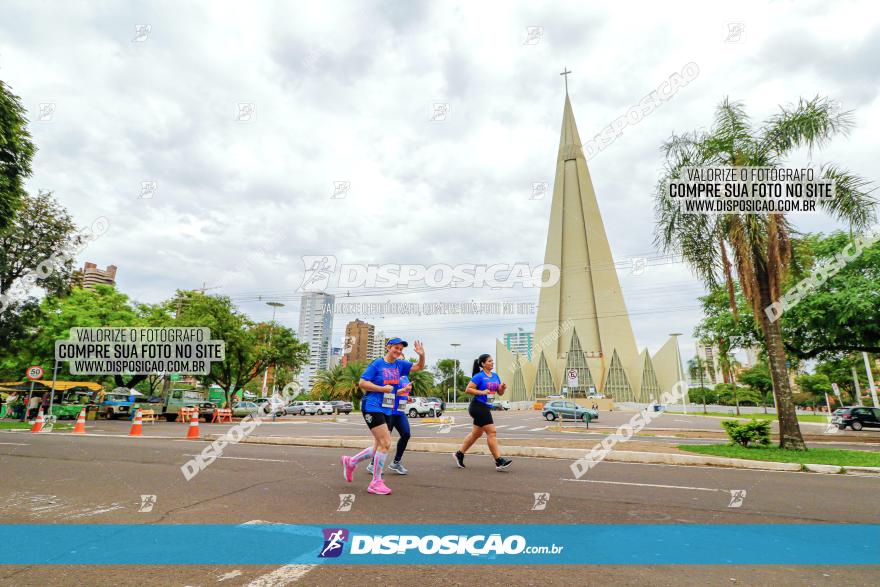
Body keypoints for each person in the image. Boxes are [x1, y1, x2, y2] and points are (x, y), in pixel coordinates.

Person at [341, 338, 425, 495]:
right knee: (386, 442)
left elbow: (419, 367)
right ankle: (375, 482)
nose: (398, 351)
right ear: (388, 347)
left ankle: (351, 462)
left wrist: (421, 355)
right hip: (372, 405)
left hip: (387, 408)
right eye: (396, 348)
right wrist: (381, 388)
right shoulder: (377, 364)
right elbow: (362, 383)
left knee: (377, 447)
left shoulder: (400, 365)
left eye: (401, 349)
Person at [454, 354, 512, 471]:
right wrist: (482, 392)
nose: (492, 363)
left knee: (476, 434)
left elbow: (499, 393)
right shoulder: (479, 376)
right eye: (490, 361)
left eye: (492, 361)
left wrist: (503, 388)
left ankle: (459, 454)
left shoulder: (495, 376)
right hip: (478, 406)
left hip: (485, 406)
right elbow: (468, 389)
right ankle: (499, 461)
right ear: (483, 364)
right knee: (492, 431)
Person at [367, 373, 412, 475]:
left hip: (400, 411)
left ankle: (396, 462)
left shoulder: (405, 377)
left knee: (406, 434)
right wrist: (403, 391)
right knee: (384, 441)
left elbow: (404, 393)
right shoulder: (390, 375)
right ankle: (373, 464)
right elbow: (388, 392)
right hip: (389, 411)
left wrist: (407, 397)